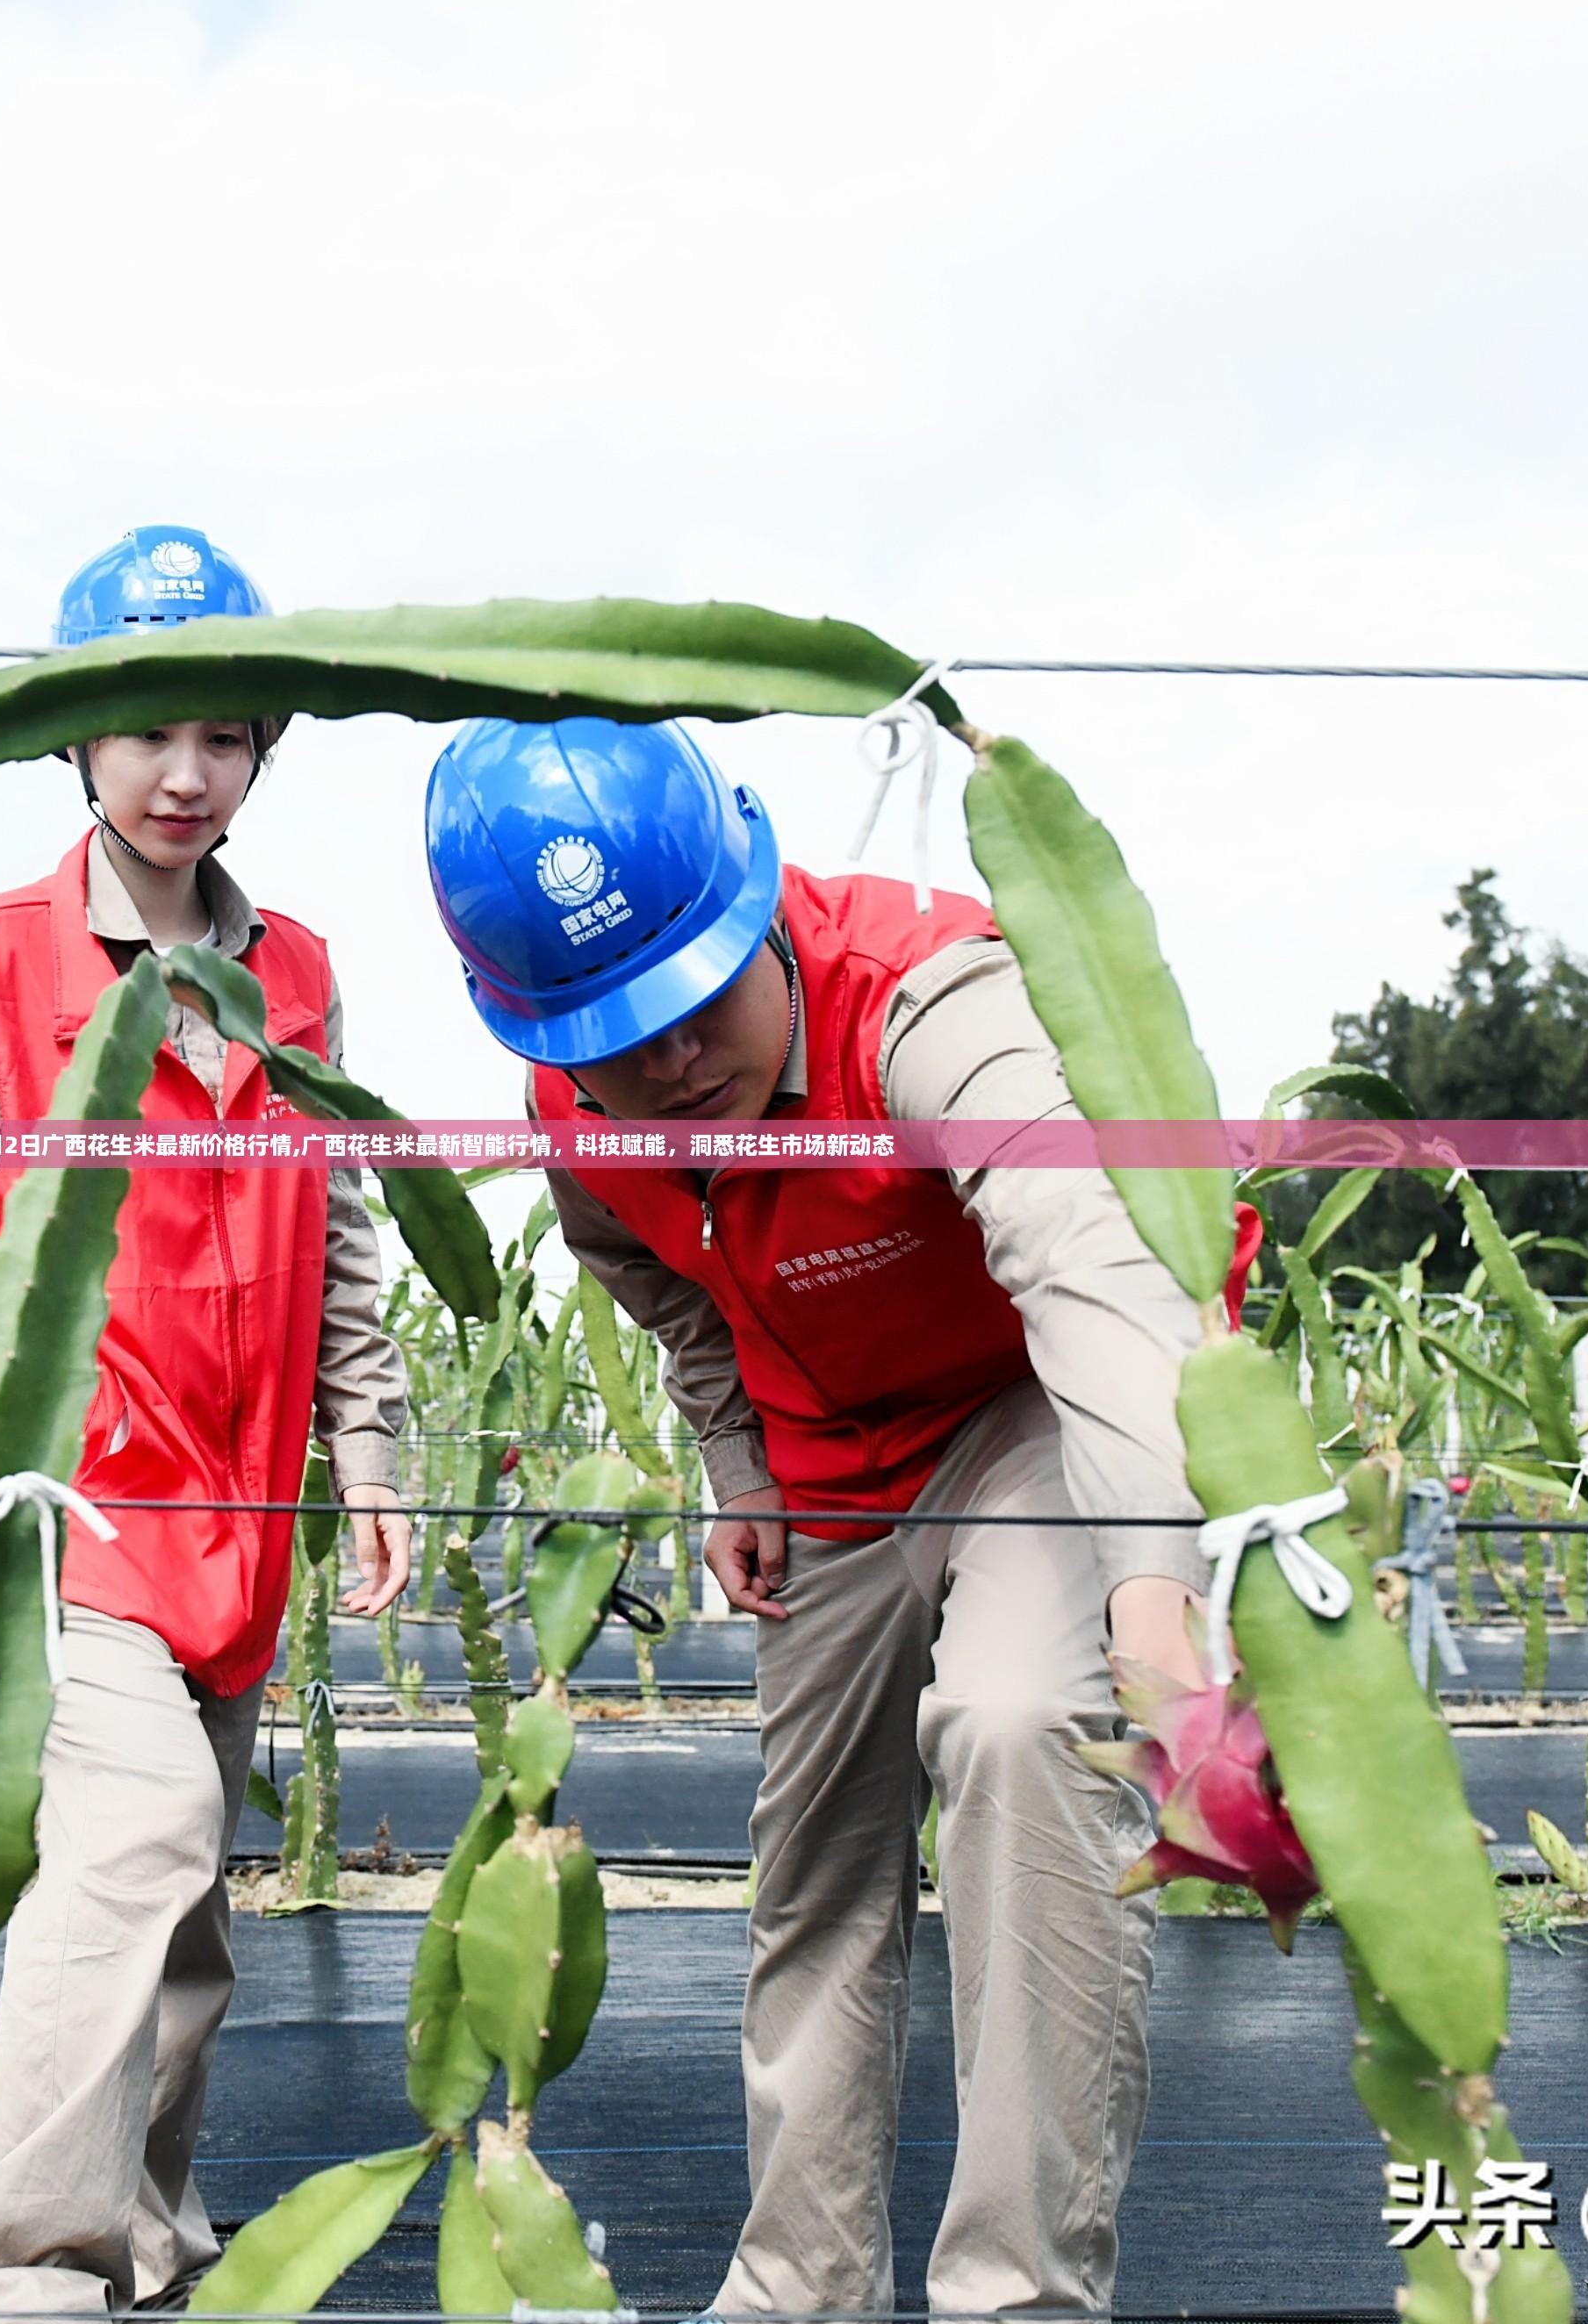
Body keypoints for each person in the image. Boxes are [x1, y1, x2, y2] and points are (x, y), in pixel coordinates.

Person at [419, 714, 1254, 2317]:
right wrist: (740, 1468)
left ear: (758, 907)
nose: (666, 1067)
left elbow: (1093, 1258)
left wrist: (1154, 1593)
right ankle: (800, 2281)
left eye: (691, 998)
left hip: (1032, 1413)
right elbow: (658, 1284)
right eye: (613, 1036)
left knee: (1019, 1730)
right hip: (829, 1463)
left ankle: (1018, 2290)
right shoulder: (582, 1117)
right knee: (814, 1869)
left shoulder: (939, 1004)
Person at [0, 525, 416, 2314]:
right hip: (56, 1520)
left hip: (237, 1519)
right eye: (148, 730)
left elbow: (348, 1232)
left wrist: (368, 1447)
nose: (184, 772)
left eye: (226, 736)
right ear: (73, 738)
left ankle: (148, 2224)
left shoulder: (297, 971)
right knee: (145, 1826)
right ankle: (24, 2264)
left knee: (185, 1910)